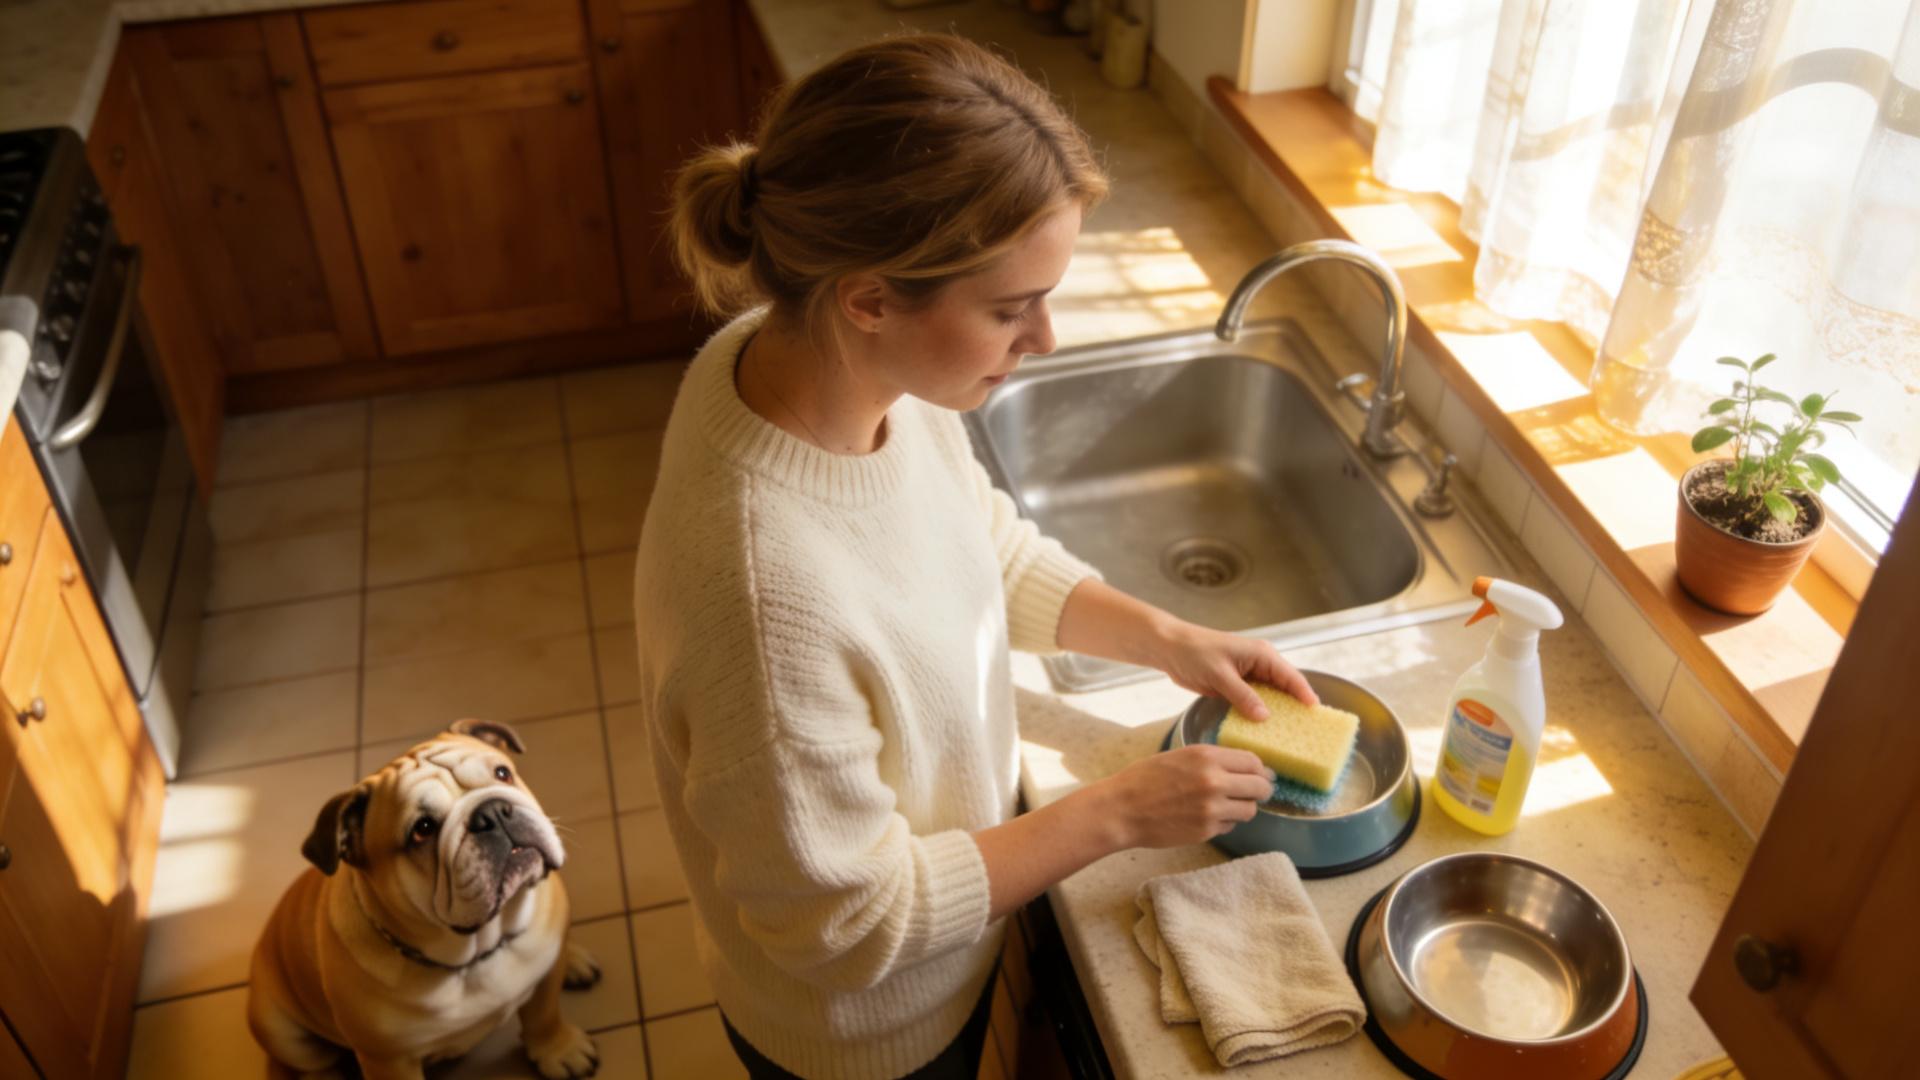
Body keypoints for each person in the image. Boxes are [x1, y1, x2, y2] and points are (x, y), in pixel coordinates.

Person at [634, 33, 1318, 1080]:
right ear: (869, 298)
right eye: (1010, 308)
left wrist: (1168, 638)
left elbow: (974, 544)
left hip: (944, 959)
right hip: (867, 1041)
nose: (1043, 338)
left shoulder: (824, 372)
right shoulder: (766, 598)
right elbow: (844, 926)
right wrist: (1120, 811)